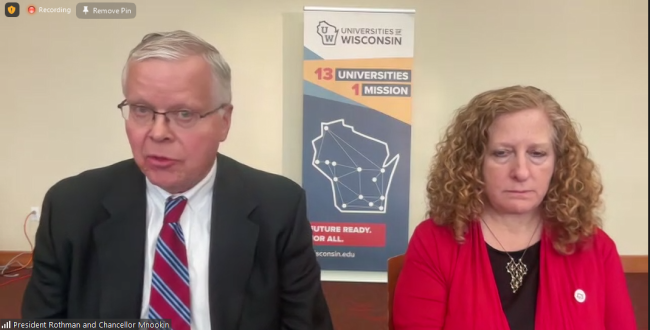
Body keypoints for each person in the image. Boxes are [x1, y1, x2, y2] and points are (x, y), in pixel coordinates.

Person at [21, 30, 334, 330]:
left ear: (224, 122)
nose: (158, 133)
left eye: (184, 114)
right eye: (141, 110)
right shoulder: (72, 206)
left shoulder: (277, 206)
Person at [392, 86, 637, 330]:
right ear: (473, 163)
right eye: (501, 153)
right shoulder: (434, 242)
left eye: (537, 153)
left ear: (558, 163)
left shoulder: (595, 247)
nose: (521, 172)